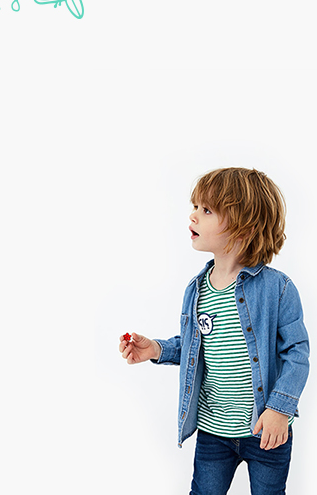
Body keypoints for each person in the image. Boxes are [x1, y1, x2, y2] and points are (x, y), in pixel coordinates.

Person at [120, 167, 310, 495]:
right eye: (195, 207)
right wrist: (156, 349)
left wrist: (279, 409)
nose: (193, 216)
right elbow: (195, 346)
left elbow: (297, 353)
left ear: (244, 226)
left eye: (206, 210)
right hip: (213, 431)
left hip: (266, 430)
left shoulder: (278, 289)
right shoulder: (197, 290)